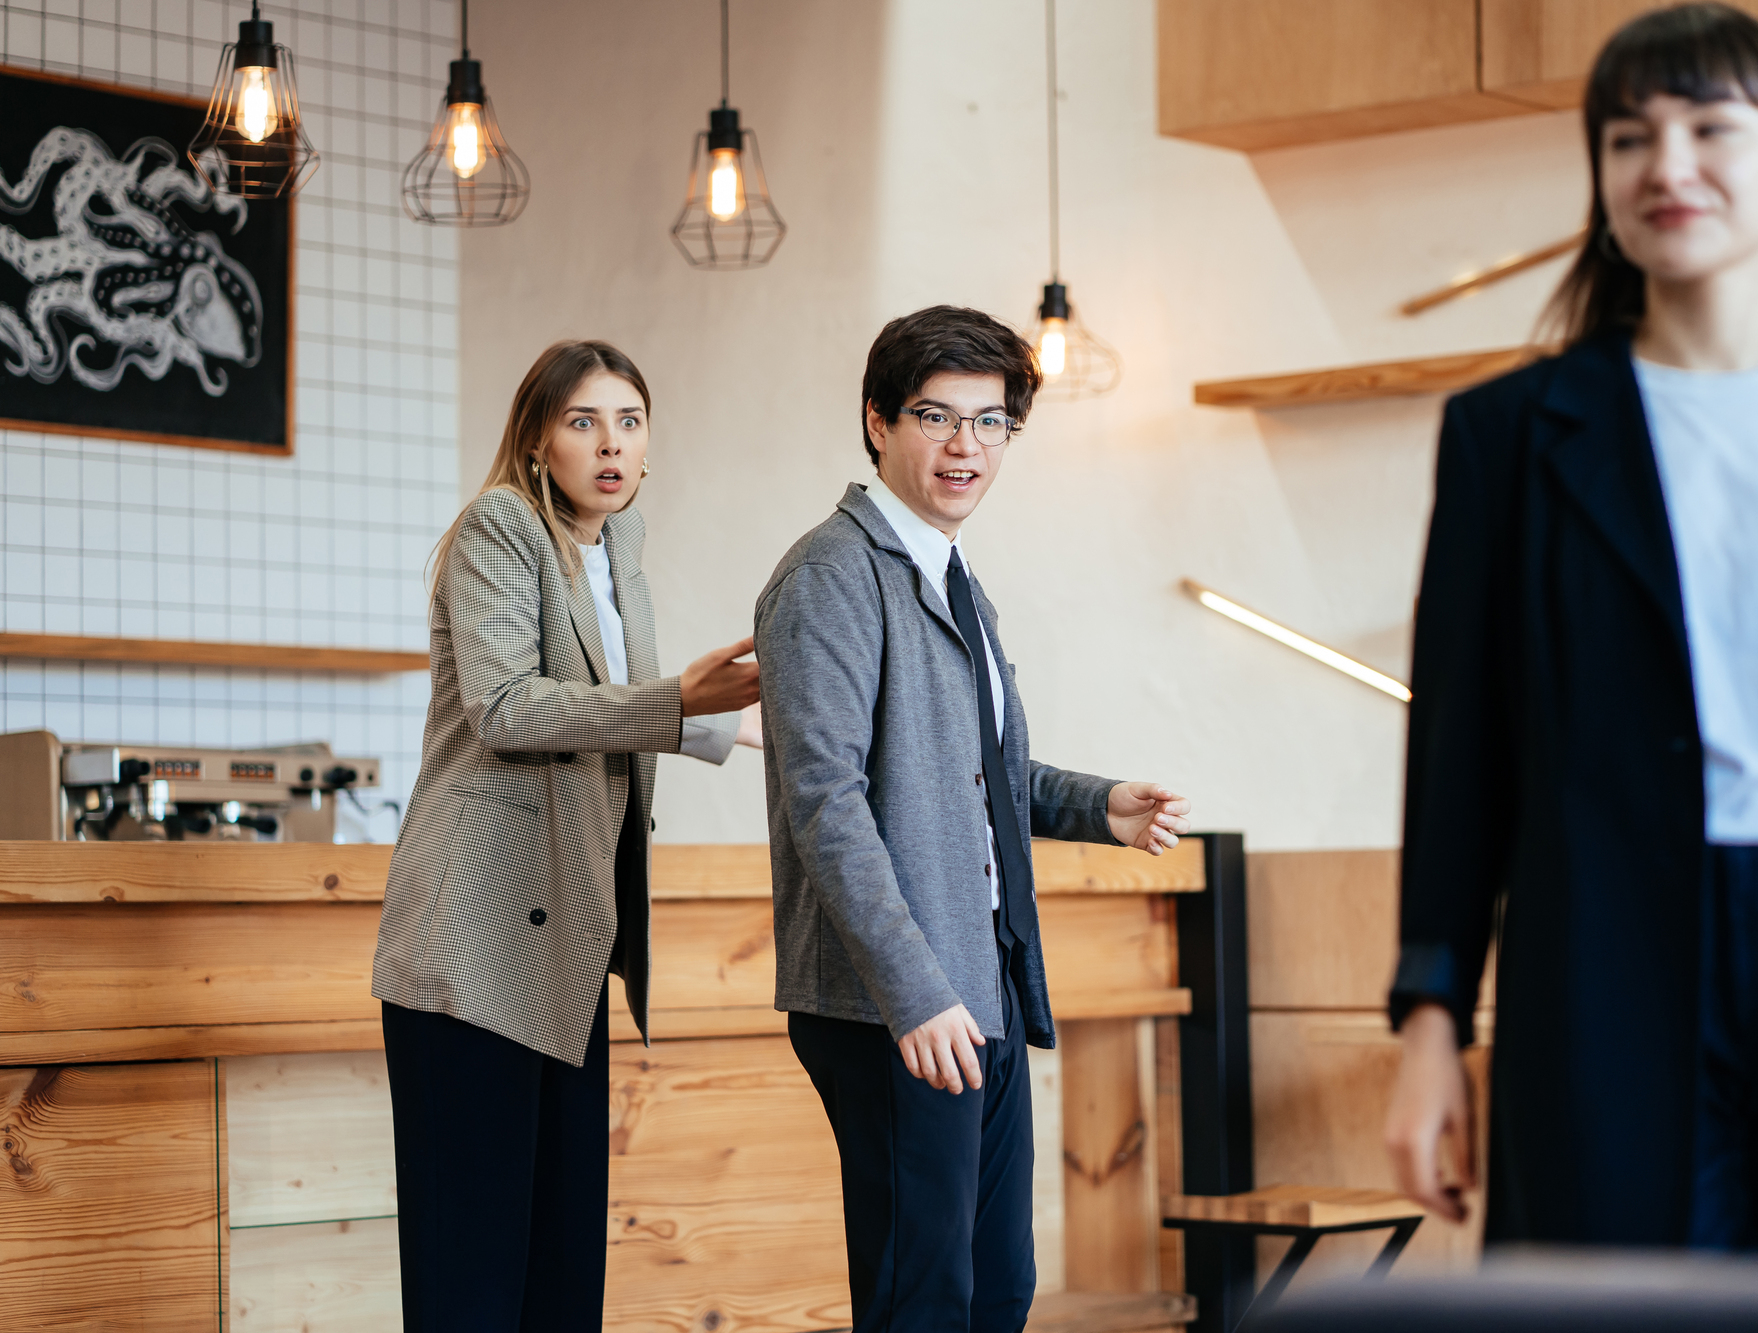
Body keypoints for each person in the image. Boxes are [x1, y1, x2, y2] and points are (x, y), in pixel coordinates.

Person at [1383, 2, 1758, 1255]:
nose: (1663, 165)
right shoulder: (1510, 439)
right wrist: (1429, 1020)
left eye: (1708, 126)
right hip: (1604, 963)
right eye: (1625, 137)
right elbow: (1461, 757)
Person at [755, 305, 1192, 1331]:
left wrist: (1099, 807)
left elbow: (974, 771)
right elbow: (824, 802)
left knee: (996, 1291)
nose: (965, 447)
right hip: (895, 1002)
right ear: (876, 422)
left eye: (990, 422)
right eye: (934, 416)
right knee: (924, 1297)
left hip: (980, 984)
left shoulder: (951, 578)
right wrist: (913, 991)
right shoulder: (832, 575)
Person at [370, 340, 762, 1330]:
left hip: (568, 947)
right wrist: (682, 705)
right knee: (474, 1272)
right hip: (475, 941)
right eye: (583, 421)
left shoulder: (617, 549)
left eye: (628, 421)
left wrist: (745, 722)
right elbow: (508, 707)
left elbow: (624, 707)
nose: (610, 445)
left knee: (560, 1270)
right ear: (537, 439)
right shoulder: (499, 527)